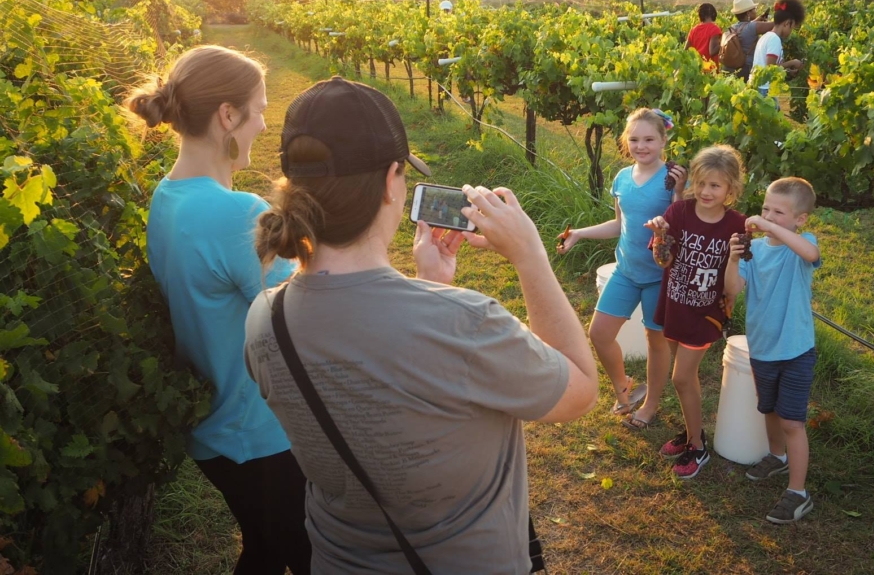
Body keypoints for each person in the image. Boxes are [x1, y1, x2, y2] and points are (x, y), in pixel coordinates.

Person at [244, 76, 597, 574]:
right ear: (392, 180)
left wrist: (430, 285)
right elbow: (580, 389)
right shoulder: (464, 323)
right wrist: (530, 256)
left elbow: (371, 376)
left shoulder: (264, 318)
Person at [126, 45, 311, 575]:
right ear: (227, 115)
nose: (262, 124)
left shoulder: (167, 196)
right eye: (259, 110)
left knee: (265, 551)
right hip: (262, 435)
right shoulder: (236, 213)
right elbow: (315, 310)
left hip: (216, 433)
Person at [557, 108, 687, 429]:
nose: (641, 146)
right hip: (627, 271)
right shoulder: (621, 179)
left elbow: (680, 229)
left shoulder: (670, 181)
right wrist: (579, 234)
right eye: (634, 139)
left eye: (649, 139)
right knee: (599, 333)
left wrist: (680, 193)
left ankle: (651, 404)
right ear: (625, 142)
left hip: (659, 275)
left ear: (663, 140)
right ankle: (624, 387)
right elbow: (618, 225)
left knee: (655, 341)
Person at [645, 145, 746, 480]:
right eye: (701, 183)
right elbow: (663, 262)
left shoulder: (737, 226)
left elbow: (734, 287)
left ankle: (699, 449)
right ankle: (693, 433)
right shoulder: (679, 213)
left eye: (715, 186)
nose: (705, 191)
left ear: (731, 189)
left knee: (682, 378)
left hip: (706, 316)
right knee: (685, 380)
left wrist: (733, 257)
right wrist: (660, 235)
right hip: (675, 306)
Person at [725, 177, 820, 524]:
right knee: (769, 409)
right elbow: (732, 289)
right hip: (762, 348)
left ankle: (798, 492)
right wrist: (733, 260)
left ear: (800, 220)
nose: (766, 216)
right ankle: (777, 457)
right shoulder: (756, 250)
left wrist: (767, 225)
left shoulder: (802, 246)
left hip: (795, 350)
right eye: (765, 208)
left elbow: (811, 253)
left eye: (778, 212)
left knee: (792, 421)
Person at [750, 0, 806, 103]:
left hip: (758, 87)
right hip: (764, 90)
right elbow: (771, 67)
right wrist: (792, 62)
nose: (791, 32)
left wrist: (788, 71)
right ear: (787, 23)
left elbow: (772, 68)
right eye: (792, 27)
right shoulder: (774, 39)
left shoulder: (766, 36)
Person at [727, 0, 775, 81]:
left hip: (730, 69)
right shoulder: (753, 27)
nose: (756, 11)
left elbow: (746, 26)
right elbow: (775, 25)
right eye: (754, 9)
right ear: (748, 13)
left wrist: (757, 19)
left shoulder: (733, 27)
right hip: (745, 70)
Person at [686, 2, 722, 67]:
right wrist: (723, 44)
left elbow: (686, 49)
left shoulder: (694, 29)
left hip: (697, 67)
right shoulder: (715, 29)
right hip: (710, 68)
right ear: (713, 14)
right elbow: (712, 52)